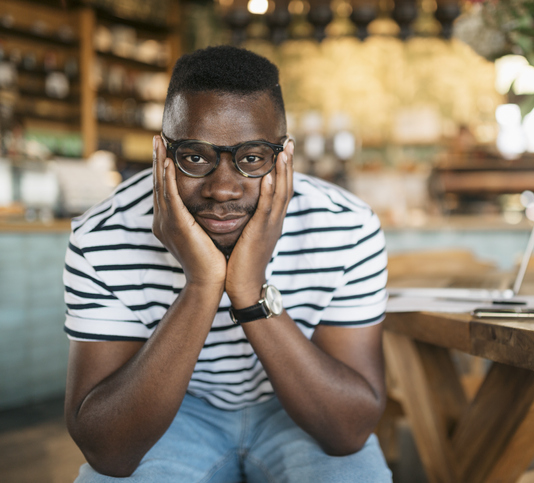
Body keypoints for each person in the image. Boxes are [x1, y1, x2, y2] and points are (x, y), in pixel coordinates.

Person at [63, 45, 391, 482]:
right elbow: (108, 451)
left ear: (285, 156)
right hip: (171, 411)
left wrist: (248, 290)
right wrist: (202, 286)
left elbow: (347, 431)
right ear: (162, 153)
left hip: (296, 403)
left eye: (252, 157)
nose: (223, 189)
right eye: (195, 156)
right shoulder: (101, 235)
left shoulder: (347, 227)